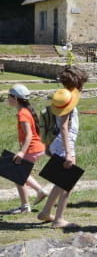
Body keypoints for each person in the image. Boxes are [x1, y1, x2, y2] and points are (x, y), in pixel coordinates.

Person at [37, 65, 88, 228]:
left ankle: (45, 212)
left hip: (57, 144)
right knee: (67, 183)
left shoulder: (62, 96)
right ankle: (58, 219)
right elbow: (64, 128)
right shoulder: (67, 100)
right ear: (79, 83)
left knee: (60, 182)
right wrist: (69, 153)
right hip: (64, 145)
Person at [6, 84, 47, 214]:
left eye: (9, 96)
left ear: (16, 98)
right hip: (38, 147)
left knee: (18, 175)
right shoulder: (26, 110)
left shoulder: (22, 113)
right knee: (21, 174)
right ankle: (40, 191)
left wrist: (22, 152)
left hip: (32, 148)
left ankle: (25, 206)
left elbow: (29, 135)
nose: (7, 98)